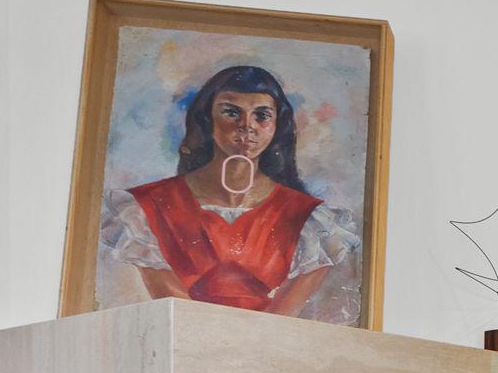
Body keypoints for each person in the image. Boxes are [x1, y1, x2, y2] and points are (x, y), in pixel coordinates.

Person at [99, 64, 360, 317]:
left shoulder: (311, 221)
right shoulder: (146, 208)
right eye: (232, 112)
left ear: (276, 126)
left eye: (262, 115)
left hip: (263, 350)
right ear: (207, 119)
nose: (247, 126)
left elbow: (281, 320)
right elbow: (177, 314)